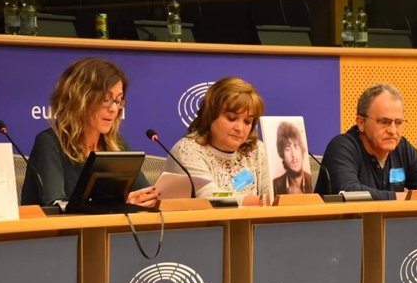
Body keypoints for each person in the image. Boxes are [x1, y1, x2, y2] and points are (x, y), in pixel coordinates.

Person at [21, 58, 160, 208]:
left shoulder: (117, 145)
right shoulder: (50, 143)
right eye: (106, 99)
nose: (113, 108)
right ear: (80, 99)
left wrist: (150, 198)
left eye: (118, 100)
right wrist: (119, 206)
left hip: (108, 231)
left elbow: (143, 193)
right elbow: (56, 206)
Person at [314, 83, 417, 200]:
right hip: (341, 230)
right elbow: (349, 192)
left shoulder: (402, 148)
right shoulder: (342, 148)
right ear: (361, 123)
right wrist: (408, 197)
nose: (393, 131)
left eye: (399, 122)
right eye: (384, 122)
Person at [165, 76, 269, 199]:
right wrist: (257, 201)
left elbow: (275, 194)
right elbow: (211, 196)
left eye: (247, 121)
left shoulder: (257, 150)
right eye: (231, 118)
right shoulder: (187, 151)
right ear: (211, 115)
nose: (240, 128)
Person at [272, 121, 313, 195]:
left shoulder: (312, 181)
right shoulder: (276, 185)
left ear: (302, 151)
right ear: (282, 156)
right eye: (287, 149)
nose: (293, 154)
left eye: (296, 146)